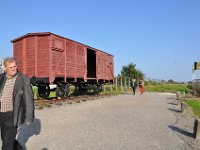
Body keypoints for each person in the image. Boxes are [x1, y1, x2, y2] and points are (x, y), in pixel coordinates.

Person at [0, 57, 34, 150]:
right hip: (1, 114)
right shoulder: (1, 77)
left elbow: (29, 99)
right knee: (5, 138)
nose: (13, 69)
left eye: (15, 66)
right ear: (5, 67)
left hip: (13, 115)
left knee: (6, 145)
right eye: (10, 67)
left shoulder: (23, 79)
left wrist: (29, 117)